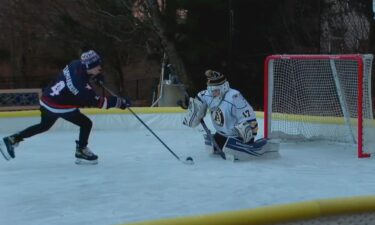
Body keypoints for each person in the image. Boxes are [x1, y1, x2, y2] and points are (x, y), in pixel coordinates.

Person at [0, 50, 131, 164]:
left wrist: (95, 76)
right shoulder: (80, 87)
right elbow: (99, 103)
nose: (100, 67)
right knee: (86, 123)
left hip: (47, 99)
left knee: (44, 126)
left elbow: (81, 76)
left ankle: (12, 139)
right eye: (98, 66)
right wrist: (119, 103)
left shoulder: (75, 64)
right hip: (59, 105)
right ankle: (81, 150)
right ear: (89, 66)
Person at [183, 70, 274, 160]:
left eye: (215, 90)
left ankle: (254, 145)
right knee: (212, 148)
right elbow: (193, 121)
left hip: (236, 136)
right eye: (209, 89)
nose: (212, 93)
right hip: (221, 134)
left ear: (224, 87)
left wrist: (249, 139)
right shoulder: (206, 95)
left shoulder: (235, 97)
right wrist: (191, 106)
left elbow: (250, 119)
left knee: (242, 133)